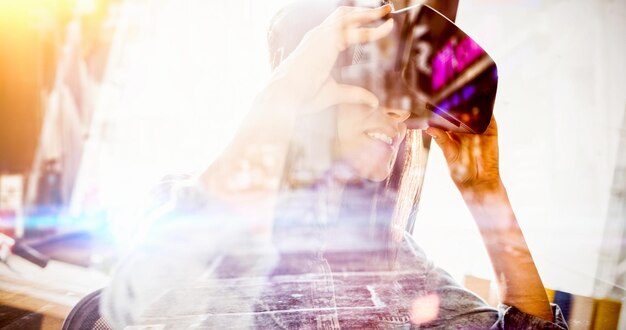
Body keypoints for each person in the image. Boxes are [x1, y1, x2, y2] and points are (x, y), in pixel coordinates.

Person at [101, 1, 568, 329]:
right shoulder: (194, 207)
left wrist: (487, 194)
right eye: (377, 83)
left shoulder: (397, 262)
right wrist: (280, 98)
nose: (400, 115)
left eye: (405, 99)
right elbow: (126, 316)